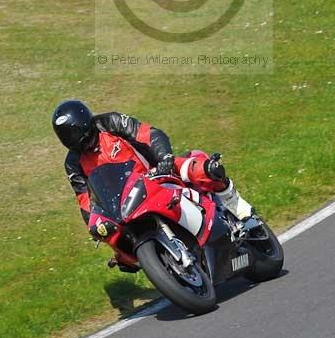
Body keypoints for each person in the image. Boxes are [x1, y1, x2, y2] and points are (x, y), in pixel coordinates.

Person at [52, 100, 253, 271]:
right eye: (67, 138)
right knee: (113, 239)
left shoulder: (109, 123)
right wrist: (95, 227)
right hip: (125, 204)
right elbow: (85, 200)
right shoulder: (73, 163)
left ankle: (239, 207)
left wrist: (164, 157)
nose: (74, 141)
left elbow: (148, 134)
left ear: (86, 124)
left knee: (204, 169)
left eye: (75, 134)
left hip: (157, 174)